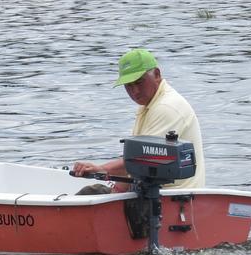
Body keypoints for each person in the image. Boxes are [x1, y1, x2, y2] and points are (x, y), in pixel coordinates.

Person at [71, 48, 205, 191]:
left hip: (173, 198)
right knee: (92, 192)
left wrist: (101, 168)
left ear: (157, 75)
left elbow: (143, 159)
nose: (134, 91)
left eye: (139, 82)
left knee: (90, 194)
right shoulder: (148, 103)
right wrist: (115, 192)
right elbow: (134, 165)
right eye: (128, 85)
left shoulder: (166, 107)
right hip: (149, 191)